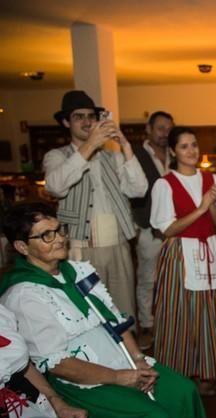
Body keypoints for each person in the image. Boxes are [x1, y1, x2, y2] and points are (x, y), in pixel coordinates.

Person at [0, 202, 216, 418]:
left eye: (59, 230)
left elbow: (115, 321)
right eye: (47, 235)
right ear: (22, 247)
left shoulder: (77, 271)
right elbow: (58, 365)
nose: (59, 239)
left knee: (184, 392)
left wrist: (138, 361)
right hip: (81, 380)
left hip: (121, 360)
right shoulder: (24, 295)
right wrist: (120, 377)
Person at [150, 127, 216, 396]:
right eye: (184, 146)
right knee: (183, 315)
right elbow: (167, 229)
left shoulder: (213, 180)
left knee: (215, 314)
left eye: (194, 145)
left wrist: (210, 205)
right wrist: (200, 208)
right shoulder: (164, 184)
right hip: (181, 254)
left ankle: (214, 370)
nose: (191, 151)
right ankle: (181, 372)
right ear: (173, 152)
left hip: (211, 249)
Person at [43, 90, 147, 323]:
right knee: (88, 314)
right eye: (79, 116)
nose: (87, 121)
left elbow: (139, 189)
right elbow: (56, 187)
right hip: (79, 248)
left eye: (91, 115)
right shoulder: (57, 156)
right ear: (65, 122)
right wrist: (89, 145)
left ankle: (129, 359)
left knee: (123, 312)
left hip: (118, 247)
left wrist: (125, 146)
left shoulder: (112, 157)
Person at [130, 111, 174, 350]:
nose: (165, 133)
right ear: (148, 129)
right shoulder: (136, 155)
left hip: (176, 228)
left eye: (168, 129)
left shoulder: (176, 153)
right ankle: (146, 326)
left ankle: (170, 326)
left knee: (172, 280)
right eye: (160, 128)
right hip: (148, 228)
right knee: (148, 279)